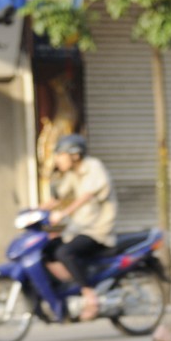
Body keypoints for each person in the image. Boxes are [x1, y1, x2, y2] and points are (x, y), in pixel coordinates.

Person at [40, 133, 117, 320]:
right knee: (47, 249)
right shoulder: (73, 173)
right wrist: (34, 212)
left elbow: (86, 196)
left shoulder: (93, 167)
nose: (58, 159)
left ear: (74, 154)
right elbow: (57, 198)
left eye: (60, 154)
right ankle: (68, 289)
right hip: (79, 228)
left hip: (97, 231)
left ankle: (89, 294)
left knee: (64, 253)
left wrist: (64, 213)